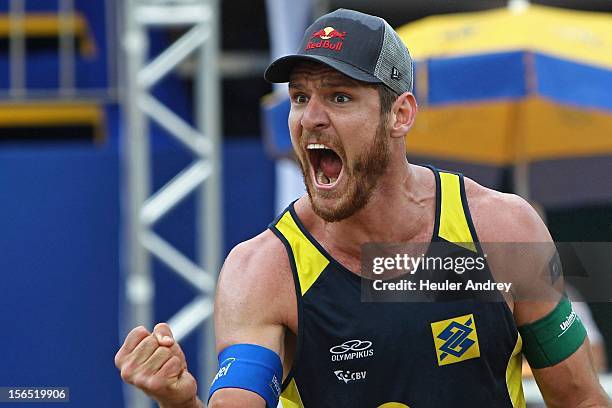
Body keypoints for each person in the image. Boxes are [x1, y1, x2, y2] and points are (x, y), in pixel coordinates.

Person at [114, 9, 610, 408]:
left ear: (400, 114)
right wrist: (179, 404)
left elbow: (580, 398)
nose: (311, 118)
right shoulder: (263, 269)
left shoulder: (503, 229)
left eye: (340, 96)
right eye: (300, 96)